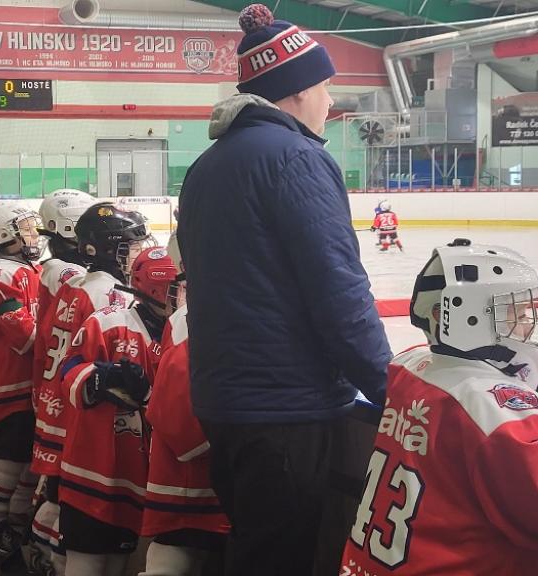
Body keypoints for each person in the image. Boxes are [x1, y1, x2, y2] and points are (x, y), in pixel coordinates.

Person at [176, 5, 391, 575]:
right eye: (324, 86)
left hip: (226, 400)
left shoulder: (206, 167)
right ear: (295, 90)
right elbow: (339, 292)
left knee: (254, 543)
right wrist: (391, 388)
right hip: (285, 406)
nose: (331, 102)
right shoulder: (297, 159)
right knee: (279, 557)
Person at [339, 238, 538, 576]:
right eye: (514, 313)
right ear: (468, 316)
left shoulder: (408, 366)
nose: (527, 325)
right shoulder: (492, 410)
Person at [31, 202, 146, 573]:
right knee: (84, 515)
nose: (136, 253)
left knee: (61, 501)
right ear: (106, 249)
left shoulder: (76, 285)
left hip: (56, 405)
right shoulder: (111, 296)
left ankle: (42, 558)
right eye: (128, 246)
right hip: (85, 418)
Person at [58, 246, 175, 576]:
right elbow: (68, 376)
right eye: (176, 286)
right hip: (94, 470)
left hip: (144, 478)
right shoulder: (109, 322)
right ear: (157, 287)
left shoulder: (184, 330)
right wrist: (101, 378)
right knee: (86, 564)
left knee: (123, 565)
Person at [140, 235, 229, 576]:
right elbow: (177, 417)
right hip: (192, 480)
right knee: (180, 548)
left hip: (191, 477)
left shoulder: (192, 311)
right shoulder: (195, 316)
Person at [28, 188, 98, 574]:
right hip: (67, 393)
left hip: (53, 385)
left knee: (54, 486)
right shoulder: (74, 277)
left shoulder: (57, 271)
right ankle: (43, 557)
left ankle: (39, 552)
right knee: (61, 488)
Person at [0, 201, 43, 560]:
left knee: (30, 460)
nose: (33, 234)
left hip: (27, 382)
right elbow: (24, 334)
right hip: (10, 382)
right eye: (25, 228)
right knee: (9, 461)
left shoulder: (24, 269)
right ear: (3, 235)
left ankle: (14, 522)